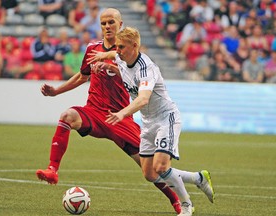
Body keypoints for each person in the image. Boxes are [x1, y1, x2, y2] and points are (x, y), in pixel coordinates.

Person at [36, 8, 182, 214]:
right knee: (67, 116)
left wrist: (110, 68)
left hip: (120, 117)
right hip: (94, 111)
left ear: (120, 25)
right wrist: (56, 91)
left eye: (111, 22)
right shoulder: (92, 49)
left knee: (147, 168)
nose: (107, 27)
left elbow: (136, 79)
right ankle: (52, 170)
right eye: (103, 23)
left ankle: (176, 200)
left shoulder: (128, 52)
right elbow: (81, 76)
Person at [88, 26, 215, 216]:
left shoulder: (146, 68)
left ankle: (187, 205)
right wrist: (107, 63)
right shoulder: (122, 58)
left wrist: (122, 113)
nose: (118, 51)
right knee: (150, 174)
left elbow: (143, 99)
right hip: (148, 122)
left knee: (161, 167)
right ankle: (198, 178)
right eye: (117, 47)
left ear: (135, 46)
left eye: (121, 47)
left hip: (166, 118)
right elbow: (122, 67)